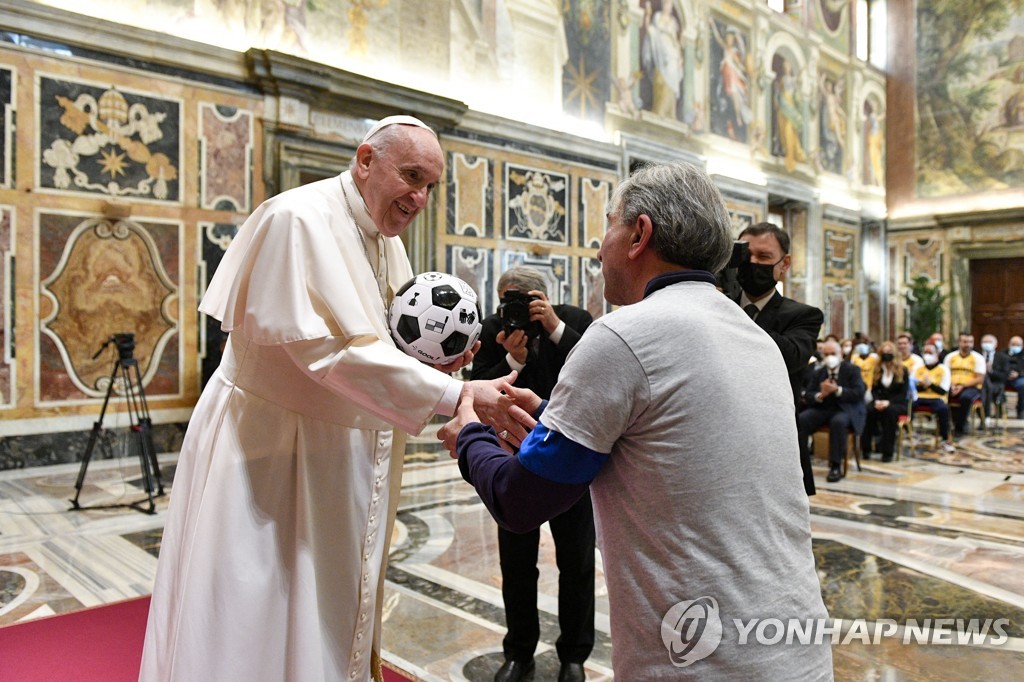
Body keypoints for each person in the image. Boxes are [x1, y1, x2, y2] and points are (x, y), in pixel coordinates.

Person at [140, 116, 507, 682]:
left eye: (430, 185)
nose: (420, 198)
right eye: (411, 176)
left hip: (335, 455)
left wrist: (432, 362)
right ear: (366, 160)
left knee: (323, 607)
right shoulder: (296, 219)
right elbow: (327, 354)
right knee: (260, 605)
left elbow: (380, 344)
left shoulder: (387, 244)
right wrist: (453, 392)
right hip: (266, 454)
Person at [440, 162, 832, 679]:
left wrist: (469, 433)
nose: (599, 249)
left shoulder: (623, 334)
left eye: (608, 226)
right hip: (795, 647)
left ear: (639, 234)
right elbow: (662, 445)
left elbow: (521, 500)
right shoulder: (753, 336)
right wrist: (552, 420)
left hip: (701, 659)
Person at [471, 266, 595, 682]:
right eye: (510, 298)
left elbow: (595, 371)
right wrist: (513, 360)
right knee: (517, 561)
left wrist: (556, 328)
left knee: (576, 561)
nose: (517, 308)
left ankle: (574, 656)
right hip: (514, 456)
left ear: (546, 297)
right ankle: (519, 651)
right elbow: (476, 387)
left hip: (569, 456)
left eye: (526, 300)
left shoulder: (574, 320)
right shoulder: (493, 328)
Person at [733, 221, 824, 494]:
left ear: (784, 264)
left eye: (763, 257)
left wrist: (730, 317)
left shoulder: (803, 315)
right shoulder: (716, 302)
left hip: (772, 438)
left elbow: (792, 357)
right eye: (746, 256)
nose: (753, 263)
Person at [798, 339, 867, 483]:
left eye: (833, 353)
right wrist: (820, 394)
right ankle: (800, 464)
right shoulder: (819, 372)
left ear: (841, 354)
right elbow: (809, 394)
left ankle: (835, 466)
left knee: (838, 422)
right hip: (823, 408)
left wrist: (838, 390)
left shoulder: (852, 370)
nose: (830, 357)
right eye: (826, 354)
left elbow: (859, 392)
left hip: (844, 409)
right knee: (802, 420)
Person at [862, 341, 910, 462]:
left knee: (889, 413)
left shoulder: (902, 370)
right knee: (867, 411)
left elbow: (903, 393)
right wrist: (877, 401)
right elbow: (874, 389)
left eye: (889, 352)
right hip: (879, 401)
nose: (886, 355)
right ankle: (866, 449)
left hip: (897, 403)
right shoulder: (878, 369)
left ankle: (887, 452)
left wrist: (888, 402)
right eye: (884, 352)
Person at [913, 342, 956, 454]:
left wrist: (930, 384)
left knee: (943, 410)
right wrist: (924, 385)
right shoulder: (918, 369)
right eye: (925, 352)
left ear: (937, 354)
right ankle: (908, 434)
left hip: (937, 398)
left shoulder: (943, 369)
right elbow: (913, 388)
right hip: (919, 397)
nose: (927, 355)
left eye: (930, 352)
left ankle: (945, 439)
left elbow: (943, 390)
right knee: (905, 406)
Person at [943, 332, 986, 437]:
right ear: (959, 343)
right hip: (951, 385)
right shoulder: (950, 357)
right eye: (965, 342)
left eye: (970, 342)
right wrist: (952, 385)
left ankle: (960, 427)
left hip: (971, 387)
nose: (968, 344)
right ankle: (944, 426)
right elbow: (945, 374)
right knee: (941, 397)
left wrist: (962, 386)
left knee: (965, 398)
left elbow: (980, 379)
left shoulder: (978, 358)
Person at [979, 333, 1010, 423]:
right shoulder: (977, 355)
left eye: (989, 342)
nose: (987, 344)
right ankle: (985, 416)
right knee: (984, 387)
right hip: (979, 384)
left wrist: (991, 371)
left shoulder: (1003, 358)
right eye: (985, 342)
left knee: (987, 388)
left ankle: (985, 416)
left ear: (995, 344)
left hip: (996, 384)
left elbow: (1004, 376)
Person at [1006, 335, 1024, 419]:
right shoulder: (1003, 353)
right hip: (1004, 377)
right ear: (1009, 344)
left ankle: (1021, 410)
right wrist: (1006, 374)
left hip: (1020, 377)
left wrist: (1019, 374)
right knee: (994, 385)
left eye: (1018, 345)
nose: (1015, 346)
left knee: (1022, 385)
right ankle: (1000, 410)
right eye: (1013, 344)